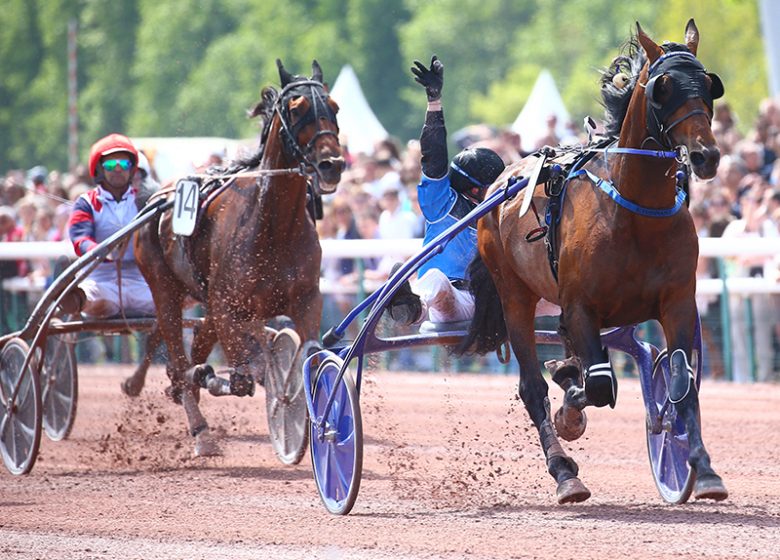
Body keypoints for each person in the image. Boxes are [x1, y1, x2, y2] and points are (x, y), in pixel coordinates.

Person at [386, 55, 505, 326]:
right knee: (435, 280)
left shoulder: (503, 210)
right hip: (452, 300)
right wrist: (434, 102)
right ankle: (411, 308)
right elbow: (434, 158)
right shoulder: (442, 204)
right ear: (474, 189)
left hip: (492, 301)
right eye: (494, 183)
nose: (501, 187)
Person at [58, 133, 156, 318]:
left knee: (168, 297)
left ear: (132, 169)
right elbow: (80, 239)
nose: (118, 169)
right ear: (99, 169)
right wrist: (100, 251)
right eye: (111, 165)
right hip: (100, 279)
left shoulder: (146, 201)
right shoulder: (86, 202)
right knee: (95, 296)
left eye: (124, 164)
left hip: (141, 280)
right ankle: (72, 298)